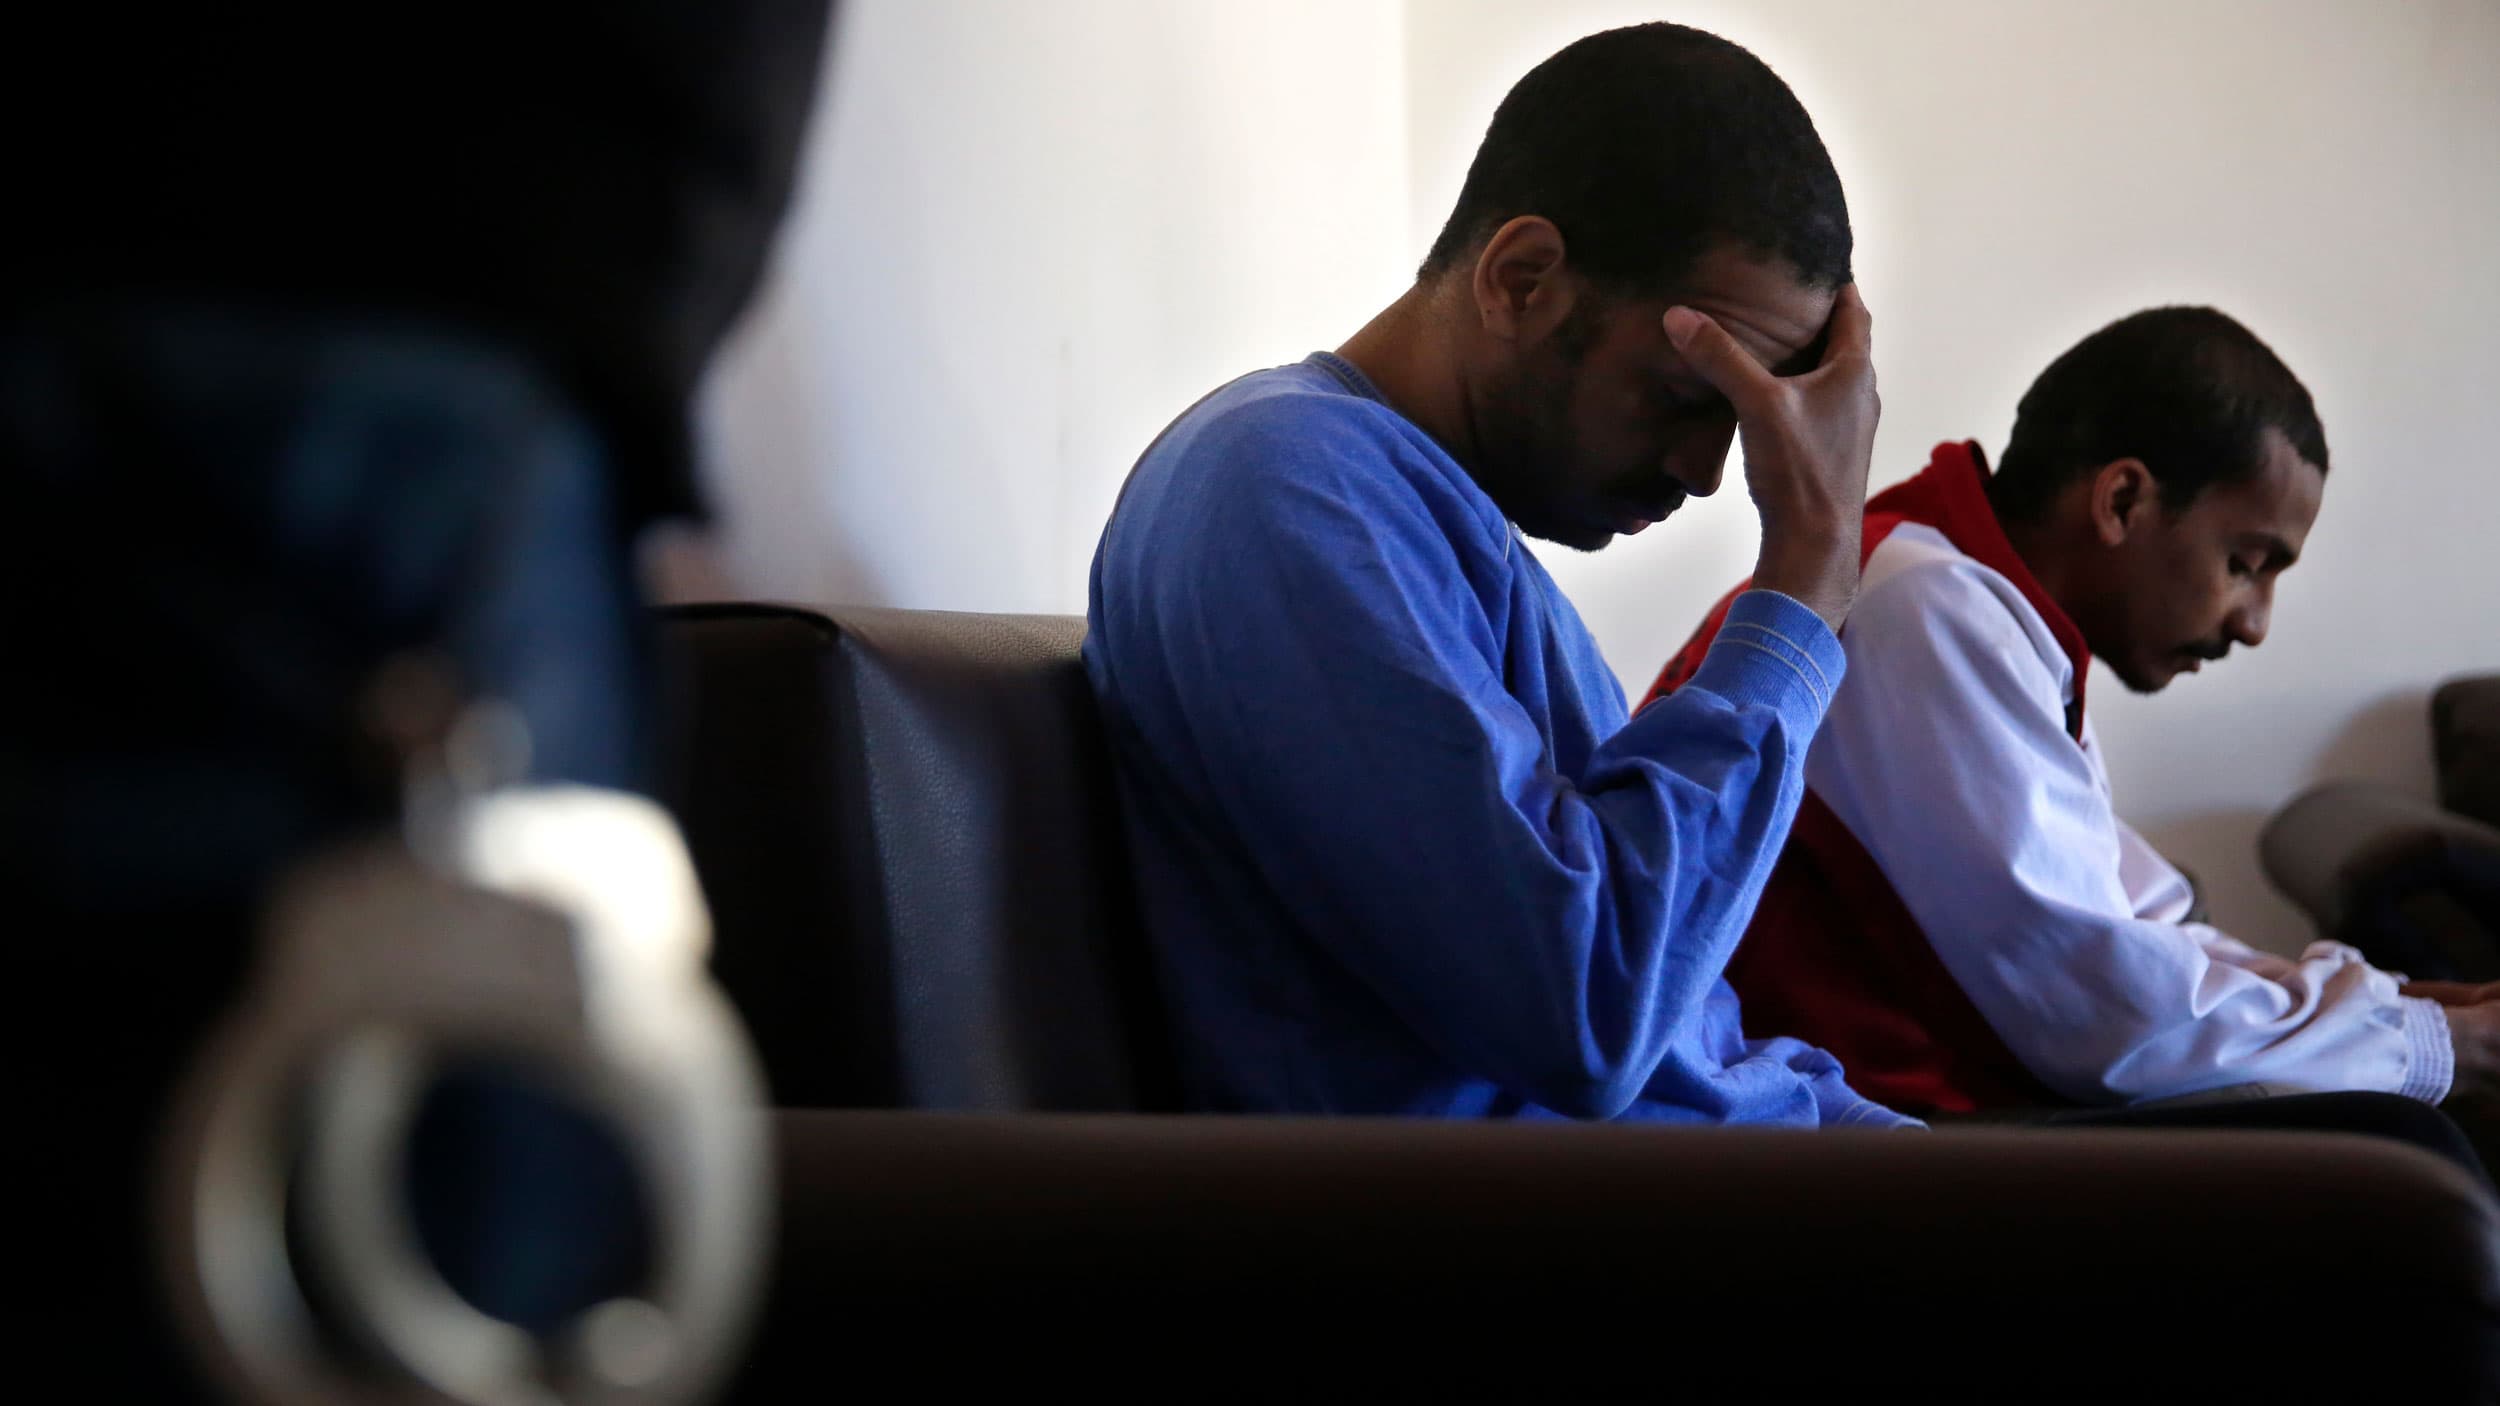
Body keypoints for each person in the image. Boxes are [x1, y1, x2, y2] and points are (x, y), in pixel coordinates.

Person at [1086, 23, 1905, 1127]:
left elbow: (1683, 1040)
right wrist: (1804, 587)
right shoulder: (1289, 484)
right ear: (1522, 279)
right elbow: (1588, 1008)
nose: (1707, 473)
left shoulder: (1428, 515)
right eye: (1680, 398)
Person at [1648, 306, 2500, 1124]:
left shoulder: (1993, 614)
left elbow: (2152, 930)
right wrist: (2437, 1044)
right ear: (2123, 500)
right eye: (2244, 563)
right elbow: (2108, 1009)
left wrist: (2408, 1007)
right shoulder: (1920, 602)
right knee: (2384, 1145)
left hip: (1875, 1107)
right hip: (1806, 1130)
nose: (2254, 622)